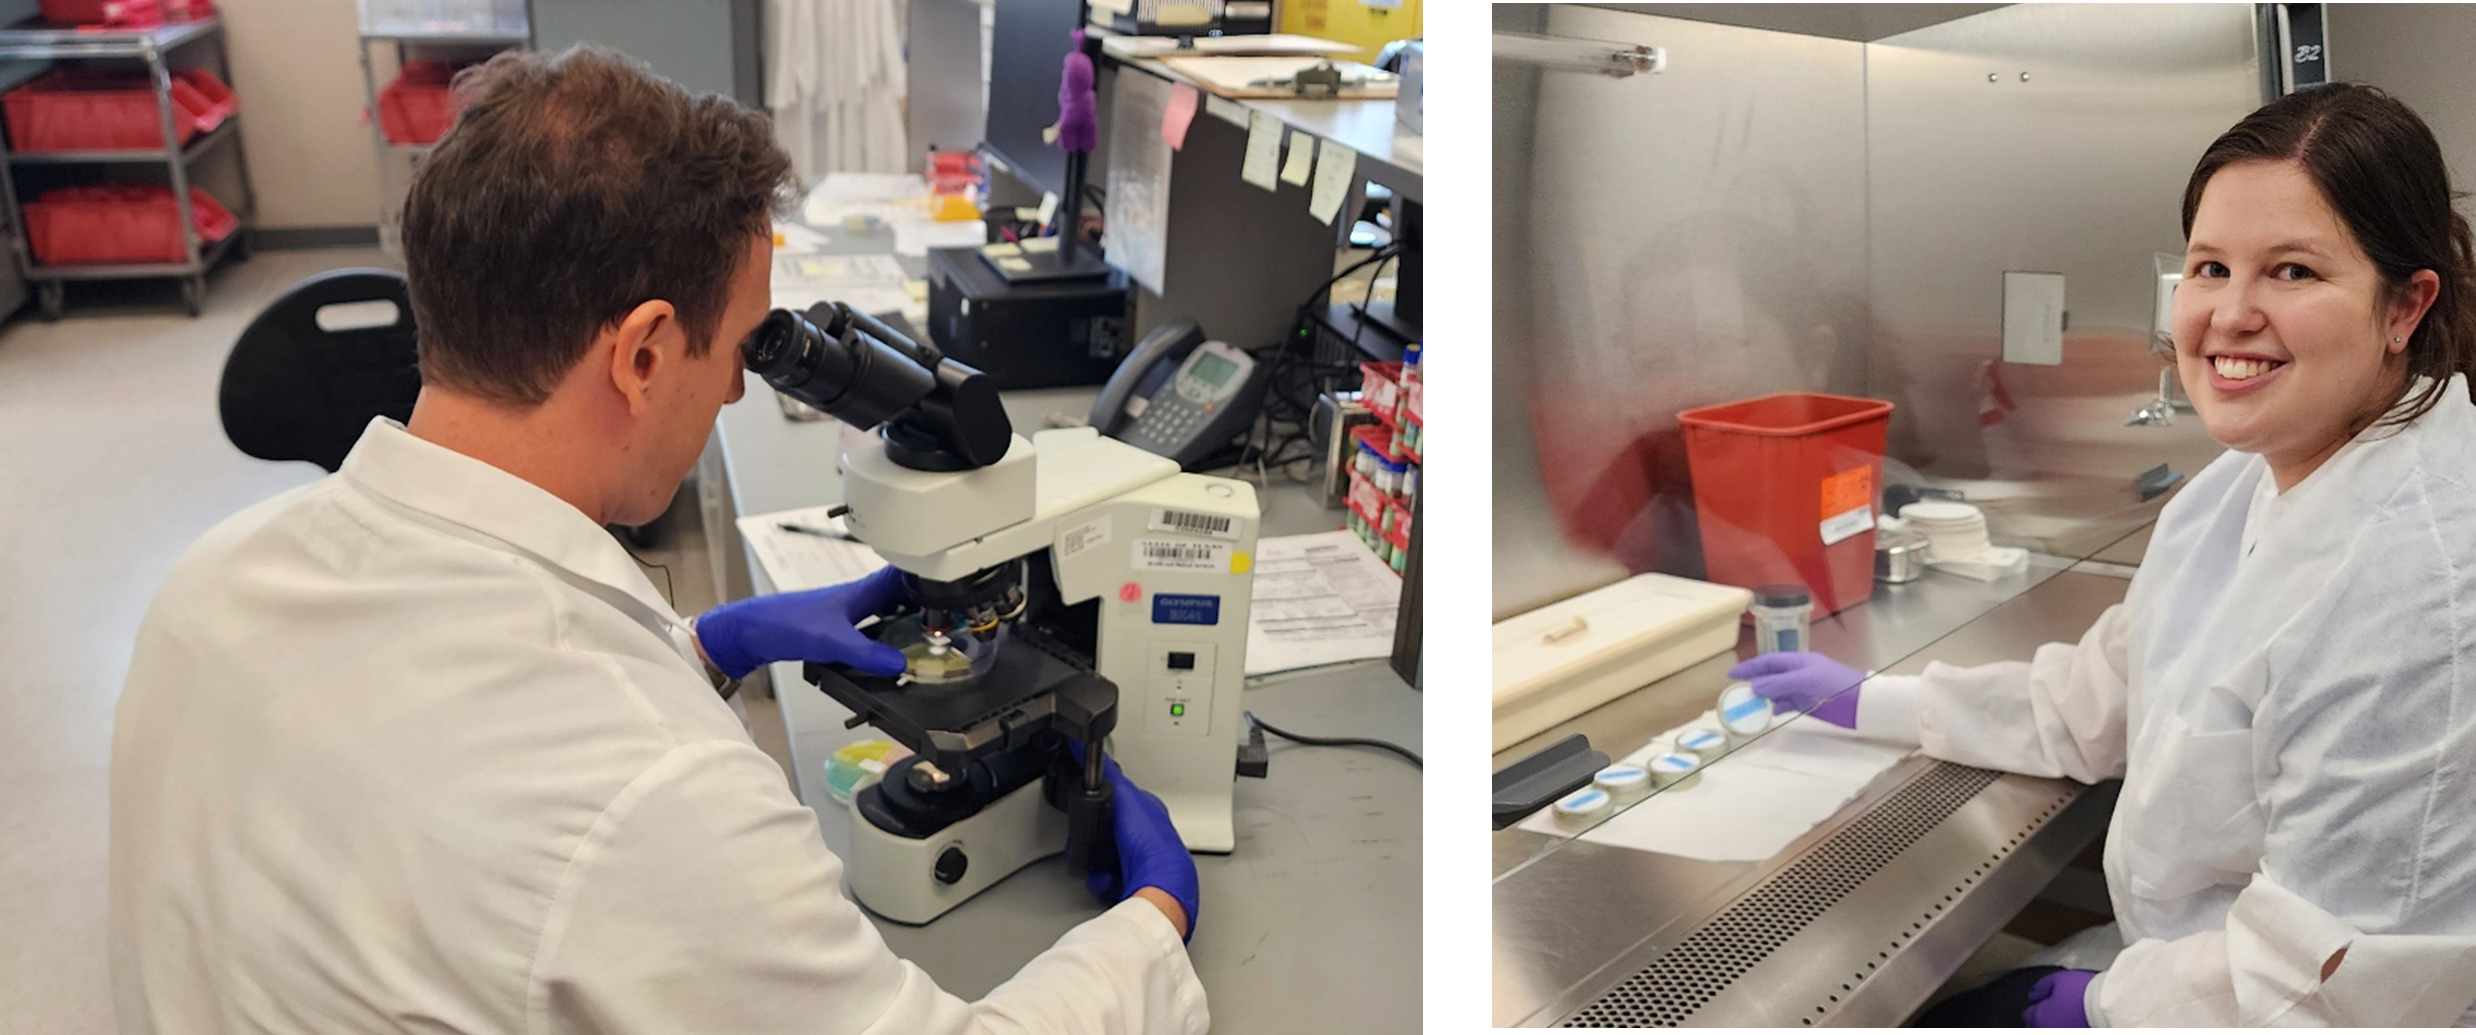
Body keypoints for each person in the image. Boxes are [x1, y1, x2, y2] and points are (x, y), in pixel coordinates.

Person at [109, 45, 1204, 1035]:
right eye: (738, 347)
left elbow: (422, 731)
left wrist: (708, 647)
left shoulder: (208, 586)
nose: (736, 386)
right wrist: (1151, 927)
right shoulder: (660, 801)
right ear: (640, 354)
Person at [1732, 82, 2476, 1027]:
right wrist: (1870, 700)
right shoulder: (2235, 489)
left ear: (2404, 307)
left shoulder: (2424, 583)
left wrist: (2092, 1008)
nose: (2232, 313)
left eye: (2292, 272)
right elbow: (2094, 705)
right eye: (2211, 268)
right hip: (2182, 970)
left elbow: (2347, 973)